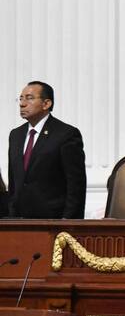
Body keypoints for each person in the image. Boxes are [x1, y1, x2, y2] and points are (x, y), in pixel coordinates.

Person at [7, 81, 87, 219]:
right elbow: (14, 182)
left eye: (29, 98)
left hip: (53, 222)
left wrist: (69, 222)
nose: (22, 103)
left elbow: (76, 185)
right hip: (20, 222)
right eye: (21, 98)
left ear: (46, 104)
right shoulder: (16, 135)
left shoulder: (66, 134)